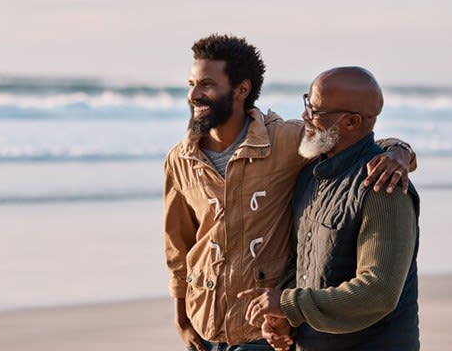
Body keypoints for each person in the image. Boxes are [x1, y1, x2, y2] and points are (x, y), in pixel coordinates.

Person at [163, 35, 415, 351]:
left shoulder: (288, 141)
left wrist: (400, 152)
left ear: (241, 90)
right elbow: (178, 244)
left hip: (261, 331)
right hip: (205, 325)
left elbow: (358, 142)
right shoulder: (180, 159)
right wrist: (182, 318)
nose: (194, 94)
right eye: (191, 83)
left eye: (207, 84)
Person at [238, 67, 420, 350]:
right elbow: (300, 263)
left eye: (315, 111)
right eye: (306, 104)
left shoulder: (383, 188)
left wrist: (287, 304)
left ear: (351, 122)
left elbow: (378, 291)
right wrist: (285, 319)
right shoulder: (309, 175)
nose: (305, 117)